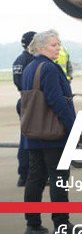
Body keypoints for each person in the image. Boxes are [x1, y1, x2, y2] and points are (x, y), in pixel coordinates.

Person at [21, 30, 76, 234]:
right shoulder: (50, 69)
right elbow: (57, 101)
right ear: (42, 47)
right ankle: (61, 224)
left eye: (58, 44)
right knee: (59, 178)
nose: (58, 47)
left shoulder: (29, 68)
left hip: (33, 133)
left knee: (35, 178)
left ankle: (32, 223)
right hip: (53, 133)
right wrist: (73, 127)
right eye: (54, 44)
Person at [12, 31, 35, 187]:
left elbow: (18, 82)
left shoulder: (18, 61)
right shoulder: (32, 61)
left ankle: (23, 174)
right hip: (32, 102)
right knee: (33, 140)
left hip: (23, 100)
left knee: (25, 138)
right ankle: (29, 174)